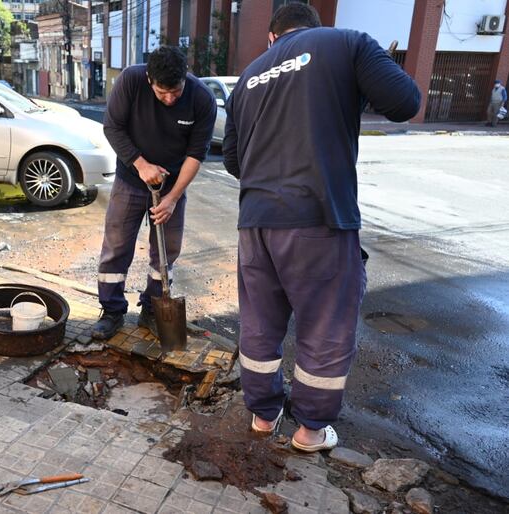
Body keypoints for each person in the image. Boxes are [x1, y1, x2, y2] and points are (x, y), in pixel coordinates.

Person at [223, 4, 420, 451]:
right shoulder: (345, 42)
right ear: (312, 29)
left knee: (259, 323)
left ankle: (262, 416)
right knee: (325, 325)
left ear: (272, 38)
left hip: (255, 223)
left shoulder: (249, 77)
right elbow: (405, 103)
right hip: (318, 217)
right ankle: (311, 430)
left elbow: (234, 160)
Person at [90, 46, 216, 340]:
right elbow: (113, 128)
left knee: (166, 253)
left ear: (185, 78)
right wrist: (141, 164)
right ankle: (112, 311)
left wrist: (172, 199)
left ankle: (151, 309)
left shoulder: (201, 98)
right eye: (162, 92)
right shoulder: (131, 81)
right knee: (117, 247)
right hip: (130, 182)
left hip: (172, 185)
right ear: (150, 80)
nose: (170, 98)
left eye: (176, 91)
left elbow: (196, 155)